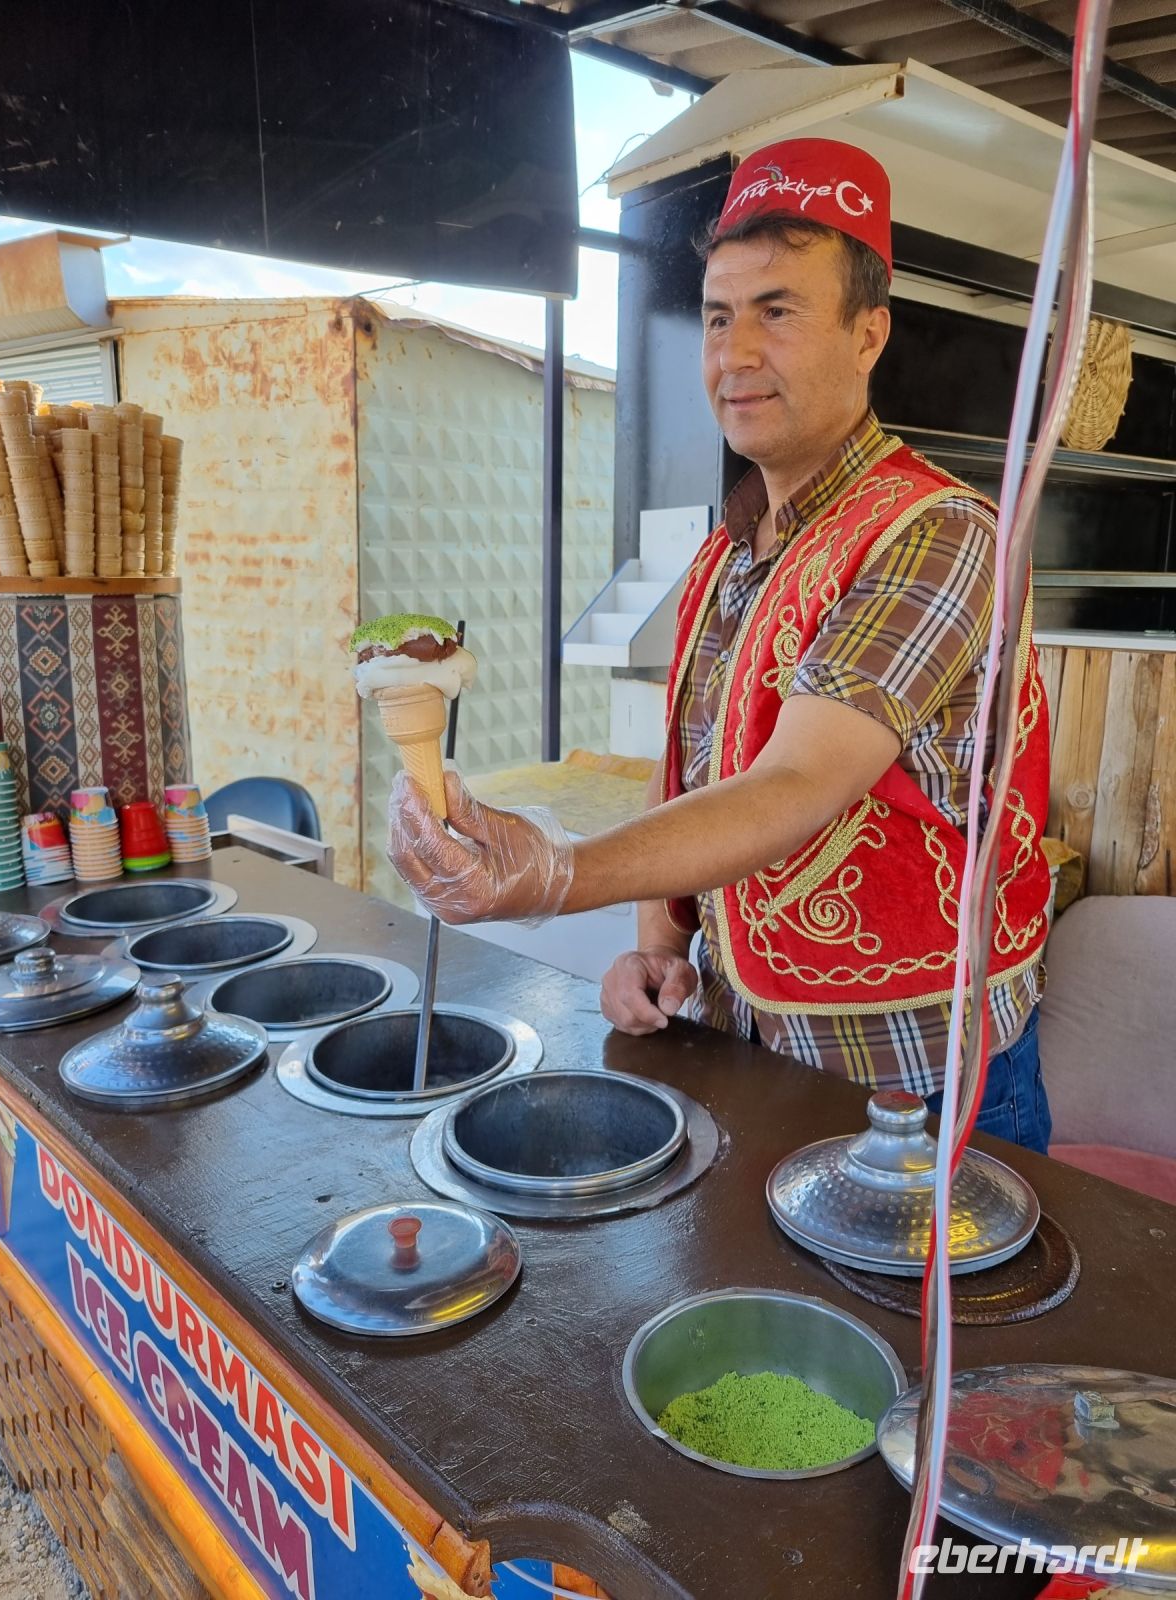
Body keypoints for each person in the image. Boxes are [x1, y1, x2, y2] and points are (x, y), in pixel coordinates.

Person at [388, 138, 1054, 1153]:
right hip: (746, 1046)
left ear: (869, 333)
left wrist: (559, 871)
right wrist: (660, 941)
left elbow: (794, 783)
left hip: (915, 1081)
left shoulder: (940, 532)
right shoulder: (725, 555)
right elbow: (693, 769)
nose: (734, 353)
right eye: (715, 316)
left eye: (777, 311)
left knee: (895, 1320)